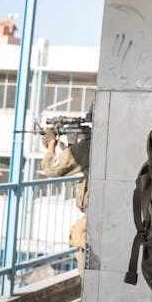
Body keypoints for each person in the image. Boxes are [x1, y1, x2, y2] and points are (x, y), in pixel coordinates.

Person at [40, 112, 91, 273]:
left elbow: (52, 169)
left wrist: (50, 146)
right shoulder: (103, 142)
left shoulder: (87, 147)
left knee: (82, 245)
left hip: (96, 218)